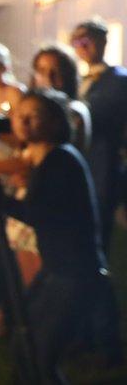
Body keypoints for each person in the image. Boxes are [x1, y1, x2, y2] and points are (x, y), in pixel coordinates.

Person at [1, 89, 115, 383]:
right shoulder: (49, 160)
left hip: (73, 273)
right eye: (19, 116)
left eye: (33, 116)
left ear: (54, 122)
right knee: (25, 348)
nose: (24, 122)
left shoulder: (61, 161)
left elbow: (38, 214)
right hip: (58, 269)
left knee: (39, 356)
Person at [70, 18, 127, 252]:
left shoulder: (120, 80)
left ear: (103, 41)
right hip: (79, 160)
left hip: (104, 161)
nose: (83, 46)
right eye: (77, 41)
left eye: (88, 40)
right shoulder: (78, 81)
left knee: (99, 222)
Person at [30, 45, 90, 154]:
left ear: (68, 75)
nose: (49, 77)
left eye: (56, 71)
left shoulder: (74, 110)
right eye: (42, 71)